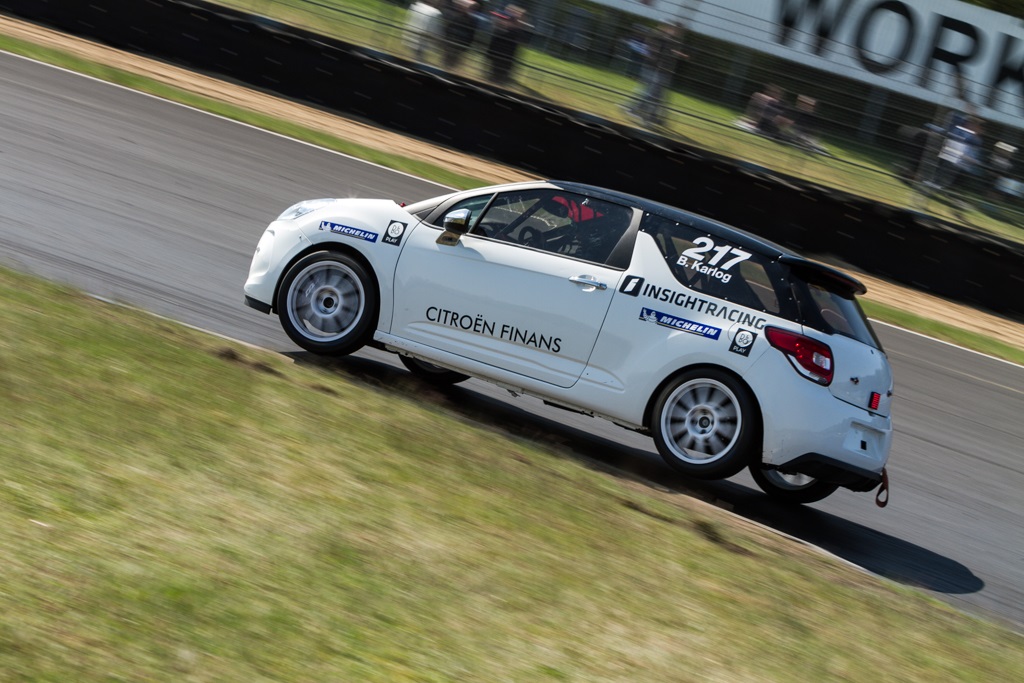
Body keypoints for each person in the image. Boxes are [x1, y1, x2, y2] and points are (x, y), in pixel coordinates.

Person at [624, 22, 687, 127]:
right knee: (651, 95)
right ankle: (638, 112)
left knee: (655, 95)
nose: (679, 33)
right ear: (671, 28)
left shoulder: (670, 40)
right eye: (678, 30)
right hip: (654, 70)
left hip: (661, 71)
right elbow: (654, 50)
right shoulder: (660, 37)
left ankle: (646, 114)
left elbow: (669, 52)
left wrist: (678, 54)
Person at [485, 5, 531, 85]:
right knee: (494, 77)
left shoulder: (515, 32)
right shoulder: (501, 29)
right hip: (498, 57)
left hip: (505, 59)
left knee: (498, 78)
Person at [441, 0, 479, 70]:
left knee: (451, 63)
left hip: (456, 44)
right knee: (449, 62)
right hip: (453, 43)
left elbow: (471, 35)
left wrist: (466, 46)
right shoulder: (456, 16)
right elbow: (448, 29)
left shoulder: (470, 20)